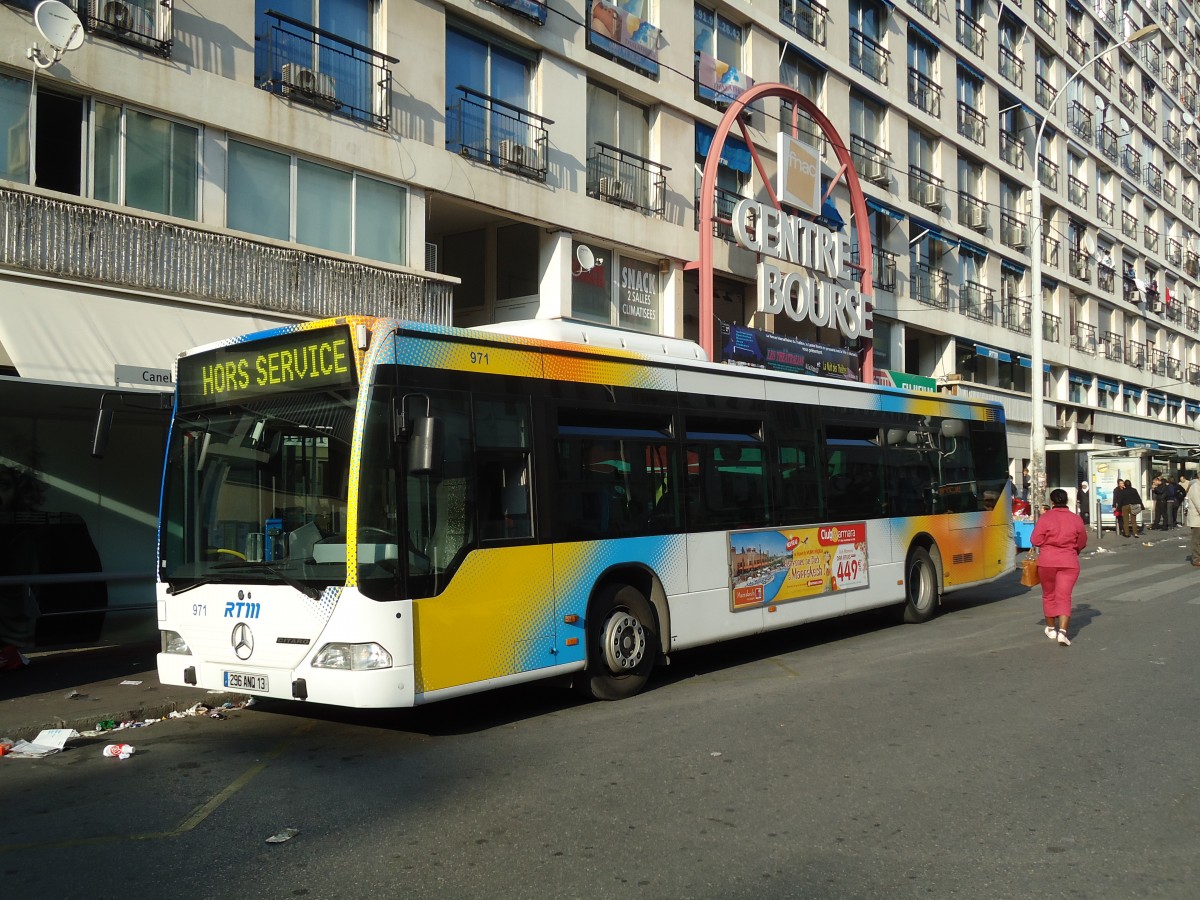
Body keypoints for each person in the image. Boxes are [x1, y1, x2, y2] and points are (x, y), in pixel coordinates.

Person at [1030, 488, 1089, 647]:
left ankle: (1051, 628)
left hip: (1047, 561)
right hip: (1069, 561)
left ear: (1052, 501)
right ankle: (1063, 632)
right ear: (1067, 500)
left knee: (1049, 595)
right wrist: (1073, 549)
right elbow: (1082, 541)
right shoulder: (1075, 519)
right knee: (1064, 597)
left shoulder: (1046, 517)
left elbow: (1035, 540)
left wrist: (1048, 544)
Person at [1185, 476, 1200, 567]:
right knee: (1196, 539)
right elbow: (1198, 503)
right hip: (1196, 518)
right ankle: (1196, 559)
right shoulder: (1195, 487)